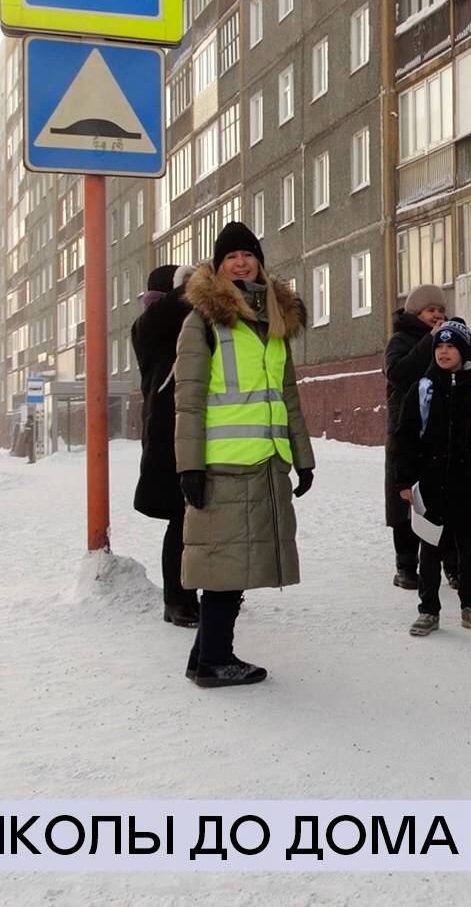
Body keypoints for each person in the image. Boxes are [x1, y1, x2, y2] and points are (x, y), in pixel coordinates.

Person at [173, 222, 315, 688]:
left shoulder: (272, 321)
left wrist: (303, 456)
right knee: (225, 566)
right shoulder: (203, 322)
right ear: (218, 266)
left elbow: (287, 396)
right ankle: (215, 660)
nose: (241, 263)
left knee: (232, 564)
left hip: (266, 463)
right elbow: (188, 401)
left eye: (248, 255)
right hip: (223, 465)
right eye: (231, 256)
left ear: (259, 262)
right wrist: (189, 466)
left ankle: (205, 656)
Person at [394, 321, 471, 637]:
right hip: (431, 487)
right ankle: (428, 610)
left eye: (451, 347)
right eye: (439, 347)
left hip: (470, 488)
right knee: (429, 551)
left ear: (465, 352)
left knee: (468, 552)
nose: (443, 352)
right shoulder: (422, 391)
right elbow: (404, 439)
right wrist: (403, 482)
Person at [133, 262, 200, 628]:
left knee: (201, 518)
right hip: (167, 435)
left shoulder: (186, 321)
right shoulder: (149, 324)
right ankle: (177, 600)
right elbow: (168, 310)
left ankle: (200, 594)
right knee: (180, 518)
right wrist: (198, 284)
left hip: (195, 431)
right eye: (185, 285)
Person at [385, 285, 451, 591]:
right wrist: (428, 343)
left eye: (441, 310)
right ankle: (406, 566)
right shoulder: (399, 340)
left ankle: (451, 563)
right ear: (416, 313)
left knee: (443, 499)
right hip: (406, 431)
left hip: (440, 432)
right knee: (404, 498)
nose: (437, 315)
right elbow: (398, 373)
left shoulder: (448, 339)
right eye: (430, 310)